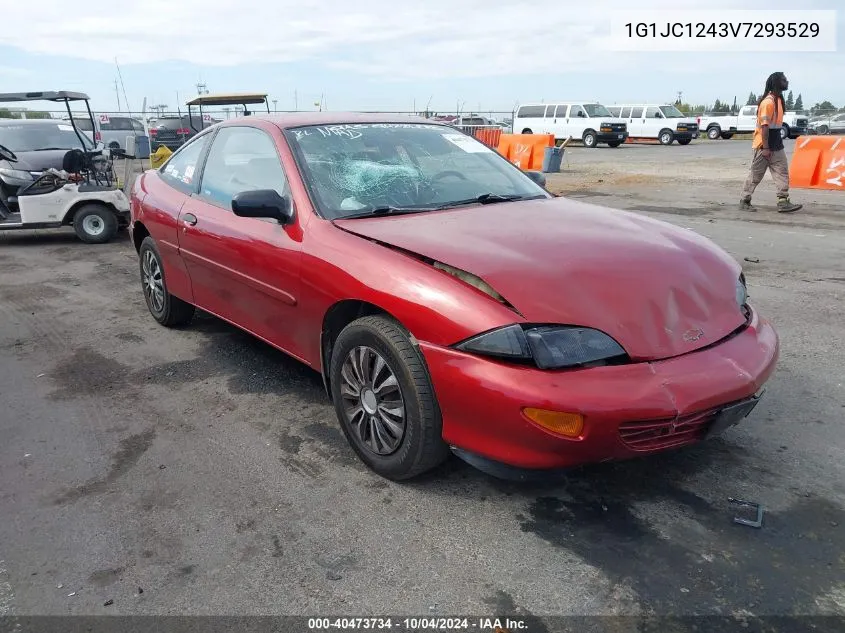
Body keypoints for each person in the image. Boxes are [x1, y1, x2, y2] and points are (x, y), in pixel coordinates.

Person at [739, 72, 802, 213]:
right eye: (784, 79)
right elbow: (765, 126)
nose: (787, 81)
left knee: (782, 172)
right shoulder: (768, 102)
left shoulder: (778, 100)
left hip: (776, 144)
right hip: (764, 145)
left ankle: (783, 201)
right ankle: (744, 200)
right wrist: (766, 148)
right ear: (776, 82)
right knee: (756, 175)